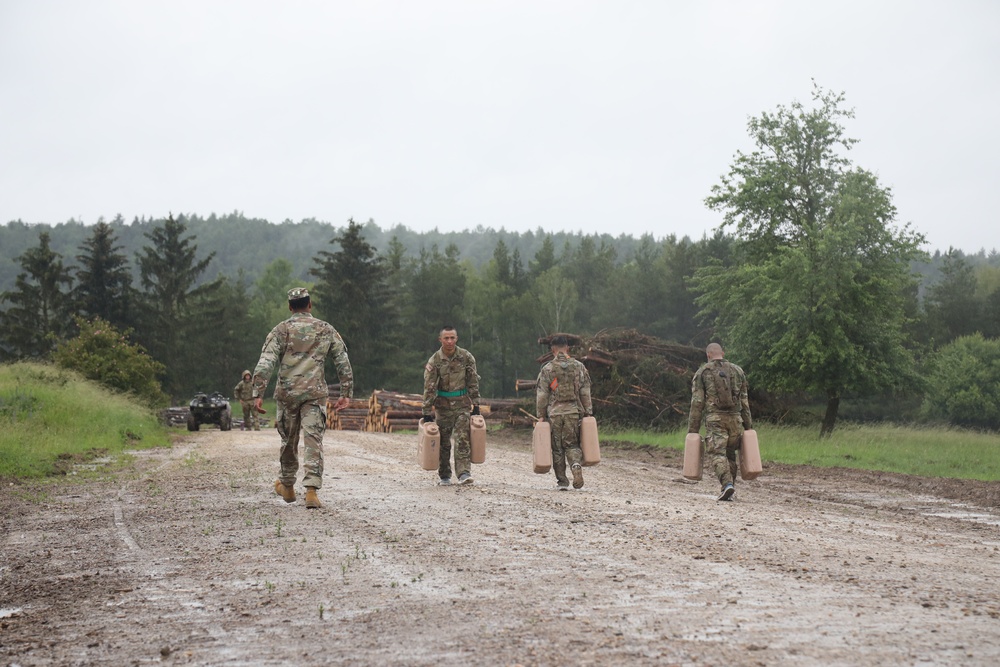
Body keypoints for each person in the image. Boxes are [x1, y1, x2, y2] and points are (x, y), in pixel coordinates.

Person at [252, 287, 353, 509]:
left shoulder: (281, 330)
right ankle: (311, 492)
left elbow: (266, 361)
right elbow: (342, 361)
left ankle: (287, 485)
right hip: (315, 395)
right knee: (313, 439)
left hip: (287, 394)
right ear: (310, 304)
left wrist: (257, 393)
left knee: (288, 439)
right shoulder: (325, 329)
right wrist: (346, 393)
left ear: (290, 307)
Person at [687, 342, 752, 501]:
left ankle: (727, 485)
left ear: (708, 355)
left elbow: (697, 402)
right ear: (723, 353)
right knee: (730, 454)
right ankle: (731, 488)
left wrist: (693, 430)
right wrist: (749, 426)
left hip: (715, 419)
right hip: (735, 420)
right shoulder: (738, 371)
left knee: (717, 453)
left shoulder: (702, 372)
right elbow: (744, 401)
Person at [422, 326, 481, 486]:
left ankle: (464, 473)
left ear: (457, 338)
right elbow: (429, 387)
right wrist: (427, 411)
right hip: (443, 407)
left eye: (452, 338)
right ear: (440, 339)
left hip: (462, 405)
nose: (449, 341)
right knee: (444, 442)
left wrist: (476, 405)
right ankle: (445, 475)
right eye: (446, 338)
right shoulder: (435, 360)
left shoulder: (466, 357)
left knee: (463, 438)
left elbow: (473, 381)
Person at [535, 335, 593, 490]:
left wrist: (540, 415)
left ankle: (562, 482)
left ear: (552, 350)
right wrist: (588, 412)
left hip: (554, 414)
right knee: (572, 444)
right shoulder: (579, 367)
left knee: (557, 448)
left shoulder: (547, 369)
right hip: (573, 412)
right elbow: (585, 391)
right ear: (567, 348)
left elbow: (542, 395)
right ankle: (575, 464)